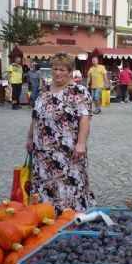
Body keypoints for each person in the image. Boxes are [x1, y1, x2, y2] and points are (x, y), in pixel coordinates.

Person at [25, 52, 94, 214]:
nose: (58, 72)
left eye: (63, 69)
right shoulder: (44, 91)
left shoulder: (79, 91)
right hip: (42, 153)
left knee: (70, 187)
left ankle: (71, 219)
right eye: (55, 68)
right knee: (44, 187)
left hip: (68, 152)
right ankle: (46, 218)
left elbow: (85, 118)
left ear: (71, 71)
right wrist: (29, 138)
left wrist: (81, 143)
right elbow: (35, 117)